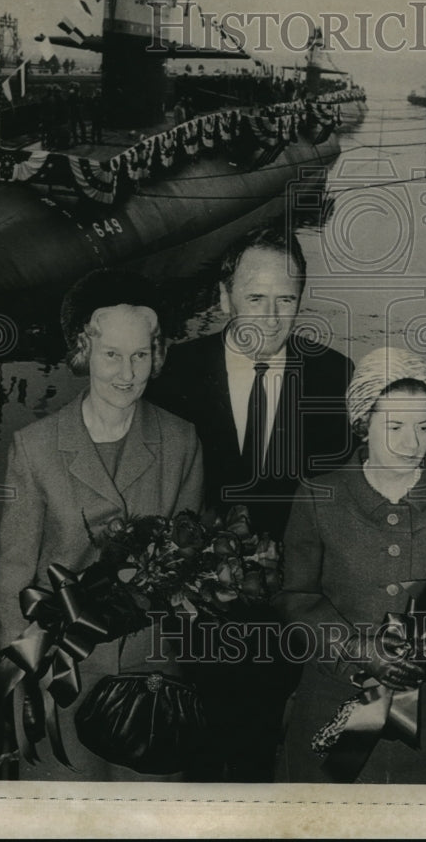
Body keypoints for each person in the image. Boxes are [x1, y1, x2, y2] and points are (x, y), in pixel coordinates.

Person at [148, 223, 353, 782]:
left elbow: (340, 505)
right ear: (224, 298)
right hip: (193, 622)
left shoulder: (333, 377)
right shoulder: (174, 376)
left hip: (288, 622)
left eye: (285, 299)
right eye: (255, 297)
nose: (270, 316)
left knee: (260, 762)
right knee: (193, 769)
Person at [0, 270, 203, 781]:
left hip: (150, 678)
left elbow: (189, 564)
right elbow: (14, 574)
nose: (127, 373)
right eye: (111, 355)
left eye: (141, 355)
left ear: (157, 355)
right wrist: (22, 669)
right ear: (84, 352)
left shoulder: (181, 441)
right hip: (61, 673)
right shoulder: (35, 448)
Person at [274, 346, 426, 783]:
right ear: (362, 424)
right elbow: (297, 596)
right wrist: (359, 651)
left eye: (423, 426)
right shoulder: (319, 495)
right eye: (395, 427)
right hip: (330, 706)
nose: (413, 444)